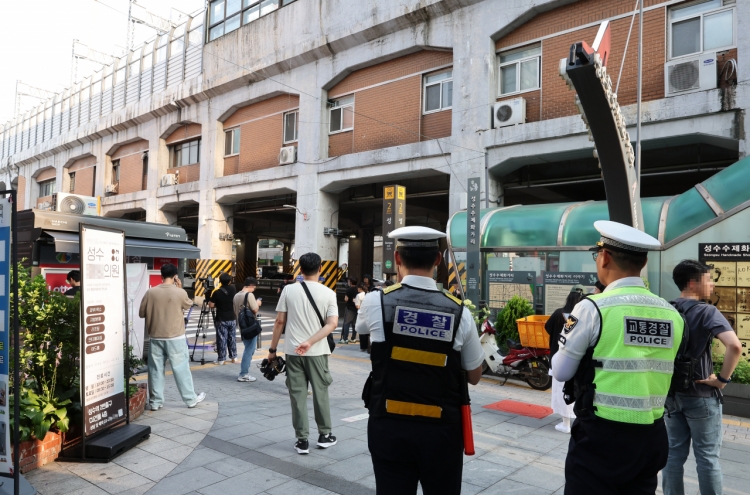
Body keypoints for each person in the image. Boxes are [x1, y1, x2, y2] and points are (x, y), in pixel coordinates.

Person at [552, 220, 685, 495]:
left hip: (602, 436)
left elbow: (561, 371)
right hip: (653, 434)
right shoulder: (671, 314)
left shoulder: (591, 307)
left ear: (604, 257)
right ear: (644, 261)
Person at [356, 226, 484, 495]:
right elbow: (474, 375)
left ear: (398, 259)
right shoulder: (460, 312)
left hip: (388, 427)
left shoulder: (374, 302)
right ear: (438, 260)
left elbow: (362, 331)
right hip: (442, 433)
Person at [662, 260, 742, 495]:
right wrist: (722, 381)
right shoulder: (706, 311)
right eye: (708, 279)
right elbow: (734, 347)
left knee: (673, 454)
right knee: (707, 458)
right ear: (693, 283)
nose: (712, 285)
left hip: (671, 394)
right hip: (701, 395)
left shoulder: (665, 309)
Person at [267, 252, 339, 455]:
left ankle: (302, 440)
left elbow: (279, 322)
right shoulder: (328, 293)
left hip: (292, 352)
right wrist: (310, 342)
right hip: (317, 352)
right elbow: (332, 324)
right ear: (321, 269)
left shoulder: (289, 290)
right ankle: (325, 435)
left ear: (300, 269)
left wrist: (272, 350)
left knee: (297, 395)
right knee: (320, 393)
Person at [139, 263, 206, 409]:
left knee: (155, 370)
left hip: (156, 336)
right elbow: (188, 305)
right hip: (176, 337)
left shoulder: (151, 292)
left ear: (161, 276)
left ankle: (155, 402)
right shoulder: (179, 292)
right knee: (181, 368)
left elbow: (141, 313)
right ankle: (190, 399)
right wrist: (180, 288)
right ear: (175, 276)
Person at [544, 285, 583, 433]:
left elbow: (547, 328)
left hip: (558, 358)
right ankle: (573, 420)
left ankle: (565, 423)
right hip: (577, 359)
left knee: (561, 390)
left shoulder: (557, 313)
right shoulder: (580, 315)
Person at [233, 277, 263, 382]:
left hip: (242, 326)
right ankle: (243, 374)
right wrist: (258, 303)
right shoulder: (249, 295)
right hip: (250, 326)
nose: (254, 290)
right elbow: (255, 310)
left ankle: (244, 372)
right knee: (249, 351)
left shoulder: (236, 295)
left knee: (248, 348)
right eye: (254, 287)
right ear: (251, 286)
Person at [209, 272, 238, 365]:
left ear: (220, 281)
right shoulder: (233, 289)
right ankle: (234, 357)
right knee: (232, 338)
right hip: (232, 318)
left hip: (221, 319)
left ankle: (221, 359)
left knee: (222, 338)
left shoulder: (217, 292)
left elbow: (211, 305)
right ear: (230, 281)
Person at [341, 277, 358, 344]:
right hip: (356, 308)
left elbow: (346, 299)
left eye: (348, 281)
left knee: (347, 323)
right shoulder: (358, 289)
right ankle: (353, 338)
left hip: (350, 308)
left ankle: (345, 338)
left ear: (350, 282)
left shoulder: (349, 290)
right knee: (354, 324)